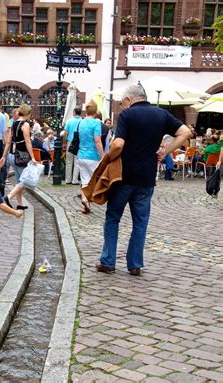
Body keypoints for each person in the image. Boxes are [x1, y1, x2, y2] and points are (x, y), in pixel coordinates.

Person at [96, 85, 192, 276]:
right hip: (147, 177)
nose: (124, 107)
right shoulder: (161, 114)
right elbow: (185, 133)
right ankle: (135, 264)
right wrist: (167, 150)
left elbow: (119, 143)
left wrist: (107, 158)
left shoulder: (127, 115)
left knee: (113, 218)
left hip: (123, 176)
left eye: (124, 104)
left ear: (129, 100)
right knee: (140, 222)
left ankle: (108, 261)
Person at [0, 103, 37, 210]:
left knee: (18, 179)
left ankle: (19, 203)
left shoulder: (14, 124)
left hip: (12, 155)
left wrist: (4, 156)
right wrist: (33, 157)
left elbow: (8, 142)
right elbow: (27, 142)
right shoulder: (25, 125)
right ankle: (9, 196)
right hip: (22, 155)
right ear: (27, 113)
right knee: (23, 180)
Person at [77, 100, 104, 214]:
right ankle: (90, 199)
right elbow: (97, 140)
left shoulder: (81, 122)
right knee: (94, 180)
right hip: (92, 156)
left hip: (81, 155)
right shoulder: (96, 123)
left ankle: (84, 200)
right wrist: (103, 155)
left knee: (84, 180)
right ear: (95, 111)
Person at [63, 106, 82, 185]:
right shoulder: (82, 121)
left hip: (70, 142)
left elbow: (65, 133)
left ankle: (68, 179)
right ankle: (75, 180)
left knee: (69, 161)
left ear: (74, 112)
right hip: (79, 143)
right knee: (77, 162)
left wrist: (64, 143)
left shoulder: (69, 121)